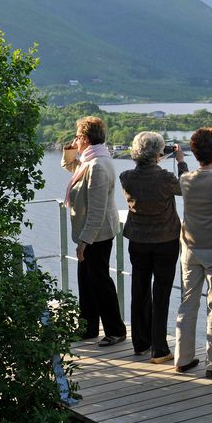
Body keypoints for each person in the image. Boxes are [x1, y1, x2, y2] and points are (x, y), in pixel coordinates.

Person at [119, 131, 188, 364]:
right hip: (165, 241)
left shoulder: (126, 177)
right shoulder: (166, 178)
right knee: (161, 294)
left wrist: (157, 158)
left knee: (139, 289)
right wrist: (180, 161)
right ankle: (159, 348)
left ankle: (140, 342)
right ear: (158, 153)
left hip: (138, 240)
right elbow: (185, 187)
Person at [174, 127, 212, 377]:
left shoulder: (185, 180)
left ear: (195, 152)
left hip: (190, 249)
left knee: (188, 304)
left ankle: (183, 357)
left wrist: (181, 160)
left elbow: (182, 172)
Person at [62, 115, 127, 347]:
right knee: (87, 280)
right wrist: (70, 150)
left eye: (78, 137)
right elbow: (71, 167)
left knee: (99, 282)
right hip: (92, 233)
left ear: (86, 138)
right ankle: (88, 327)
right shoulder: (92, 159)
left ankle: (116, 330)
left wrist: (84, 242)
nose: (75, 140)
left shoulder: (97, 165)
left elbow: (97, 210)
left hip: (97, 234)